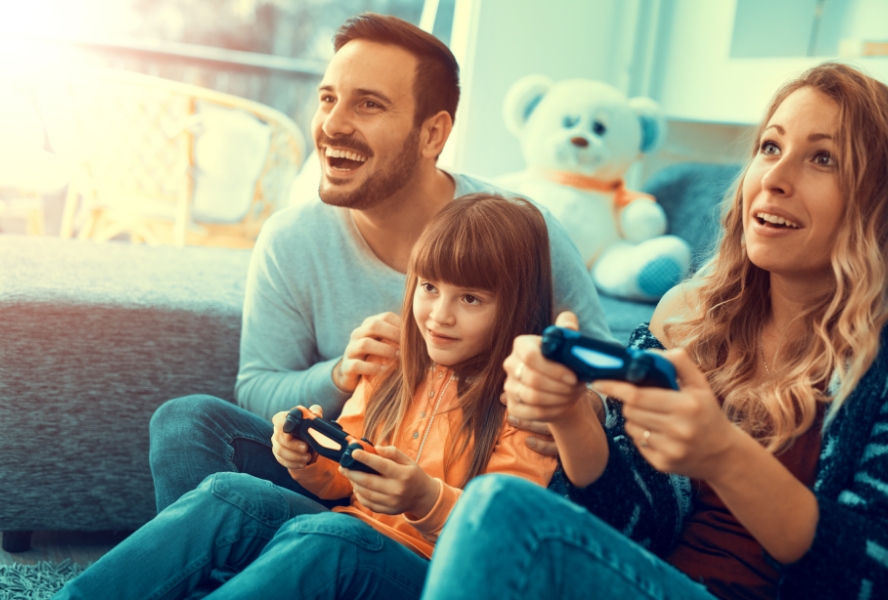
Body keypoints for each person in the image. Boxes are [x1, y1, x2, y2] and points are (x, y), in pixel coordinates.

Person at [420, 62, 888, 600]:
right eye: (770, 147)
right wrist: (572, 416)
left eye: (822, 158)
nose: (775, 179)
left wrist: (723, 454)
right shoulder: (688, 316)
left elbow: (870, 570)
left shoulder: (876, 372)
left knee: (498, 508)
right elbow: (625, 525)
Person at [148, 12, 612, 513]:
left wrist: (568, 405)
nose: (332, 124)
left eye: (368, 104)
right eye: (328, 99)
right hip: (336, 480)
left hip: (448, 512)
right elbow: (258, 388)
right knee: (186, 422)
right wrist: (340, 375)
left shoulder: (524, 231)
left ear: (433, 134)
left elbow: (609, 382)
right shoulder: (290, 238)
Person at [54, 193, 559, 600]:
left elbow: (500, 540)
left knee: (327, 538)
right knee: (229, 492)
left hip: (426, 574)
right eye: (429, 287)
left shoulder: (525, 405)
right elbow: (344, 479)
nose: (439, 315)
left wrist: (424, 498)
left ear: (515, 307)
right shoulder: (396, 365)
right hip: (343, 535)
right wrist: (305, 458)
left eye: (469, 298)